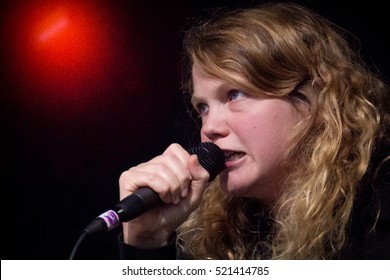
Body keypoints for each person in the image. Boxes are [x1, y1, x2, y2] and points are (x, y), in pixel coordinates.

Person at [117, 2, 390, 259]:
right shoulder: (222, 232)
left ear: (313, 97)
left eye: (235, 94)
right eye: (203, 108)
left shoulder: (377, 215)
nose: (209, 128)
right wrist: (146, 240)